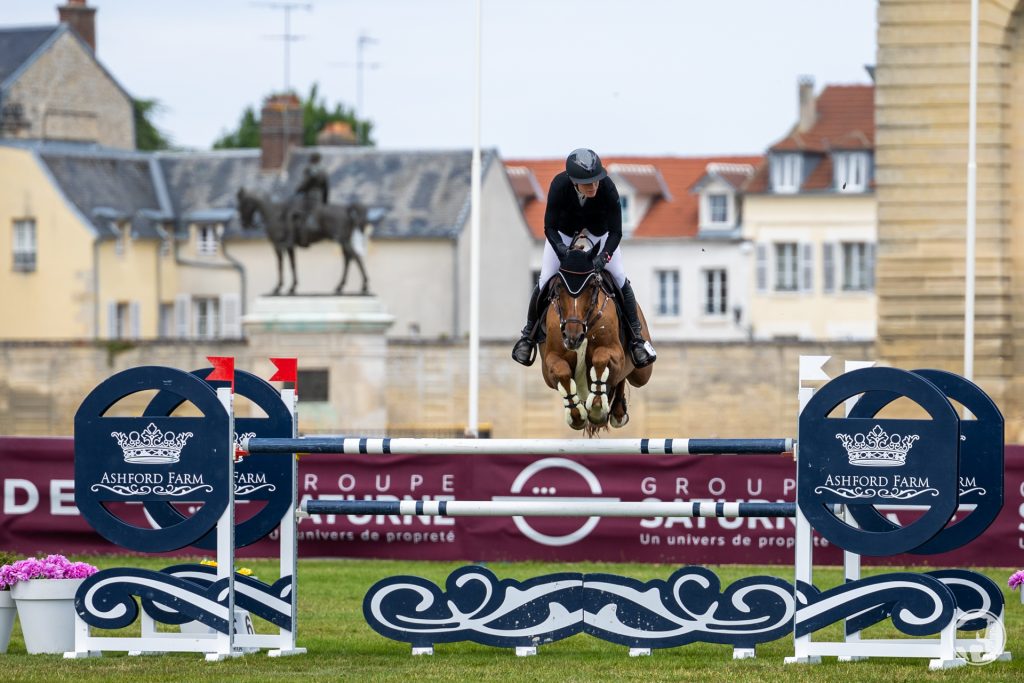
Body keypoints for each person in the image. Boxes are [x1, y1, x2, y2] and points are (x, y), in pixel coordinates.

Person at [511, 148, 657, 368]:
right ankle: (528, 337)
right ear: (574, 182)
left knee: (618, 277)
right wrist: (561, 250)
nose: (594, 186)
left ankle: (636, 339)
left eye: (596, 181)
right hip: (564, 234)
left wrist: (603, 257)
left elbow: (617, 232)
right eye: (588, 183)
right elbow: (549, 227)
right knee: (545, 279)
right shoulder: (559, 186)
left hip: (600, 235)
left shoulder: (608, 187)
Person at [292, 152, 329, 247]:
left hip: (309, 197)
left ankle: (303, 239)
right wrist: (325, 201)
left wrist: (298, 189)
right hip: (319, 197)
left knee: (297, 213)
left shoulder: (309, 169)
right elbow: (326, 188)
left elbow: (306, 183)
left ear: (311, 159)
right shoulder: (323, 171)